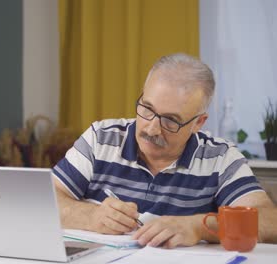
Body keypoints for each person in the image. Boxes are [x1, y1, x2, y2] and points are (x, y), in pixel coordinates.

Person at [52, 53, 276, 248]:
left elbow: (269, 221)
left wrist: (200, 227)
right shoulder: (101, 138)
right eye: (147, 109)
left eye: (171, 120)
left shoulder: (221, 158)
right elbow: (45, 199)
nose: (152, 128)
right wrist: (91, 216)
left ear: (198, 123)